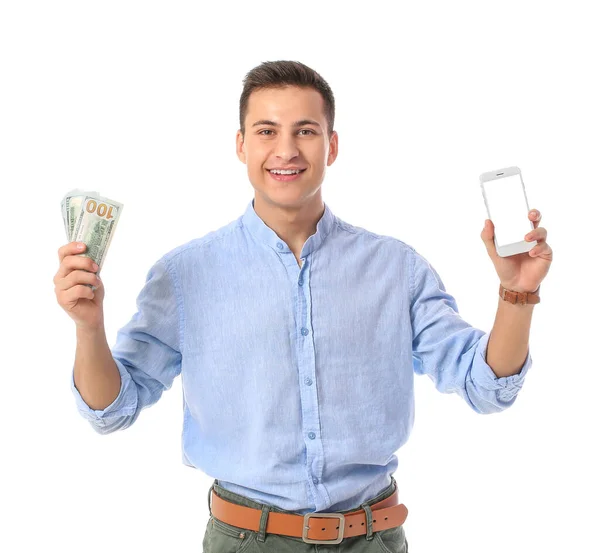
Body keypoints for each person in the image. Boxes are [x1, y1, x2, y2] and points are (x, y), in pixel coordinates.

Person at [54, 60, 553, 552]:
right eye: (267, 130)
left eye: (306, 131)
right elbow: (111, 411)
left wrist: (518, 294)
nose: (286, 150)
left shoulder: (396, 268)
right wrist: (88, 327)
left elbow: (487, 386)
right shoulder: (184, 275)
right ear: (241, 145)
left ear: (332, 146)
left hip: (373, 539)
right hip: (245, 541)